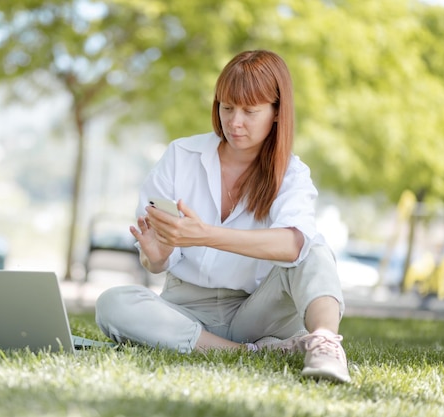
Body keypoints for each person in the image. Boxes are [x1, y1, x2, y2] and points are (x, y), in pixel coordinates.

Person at [95, 49, 351, 383]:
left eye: (250, 110)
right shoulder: (181, 156)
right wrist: (155, 259)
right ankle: (249, 352)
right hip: (185, 309)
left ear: (276, 112)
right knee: (114, 303)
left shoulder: (291, 173)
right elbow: (155, 258)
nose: (234, 122)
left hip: (258, 312)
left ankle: (325, 345)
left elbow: (293, 246)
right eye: (226, 107)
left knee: (312, 246)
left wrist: (205, 234)